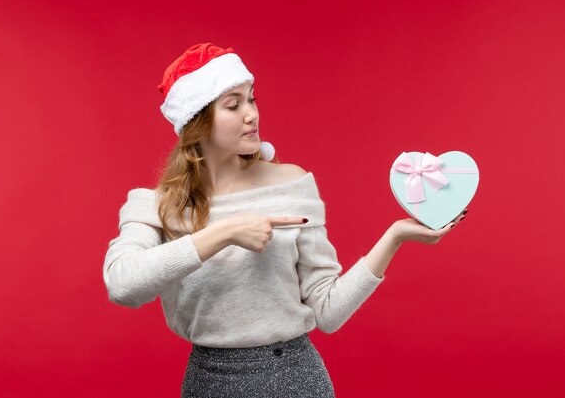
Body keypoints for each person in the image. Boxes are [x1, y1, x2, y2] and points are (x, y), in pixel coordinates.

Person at [102, 43, 467, 398]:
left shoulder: (291, 184)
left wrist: (396, 236)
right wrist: (224, 233)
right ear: (197, 123)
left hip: (295, 380)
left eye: (252, 98)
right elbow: (124, 285)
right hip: (209, 383)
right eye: (233, 105)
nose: (252, 114)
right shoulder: (157, 205)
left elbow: (327, 311)